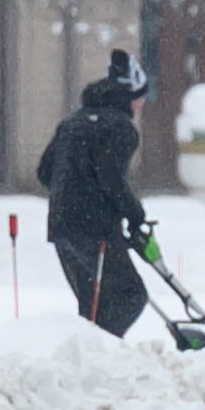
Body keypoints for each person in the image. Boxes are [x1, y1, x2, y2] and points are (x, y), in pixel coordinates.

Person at [37, 48, 154, 336]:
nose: (141, 105)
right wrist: (135, 214)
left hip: (61, 227)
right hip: (96, 229)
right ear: (130, 96)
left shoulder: (73, 121)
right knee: (130, 297)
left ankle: (91, 359)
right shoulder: (121, 129)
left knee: (92, 305)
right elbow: (110, 178)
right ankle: (100, 351)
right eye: (140, 98)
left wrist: (73, 189)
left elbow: (44, 171)